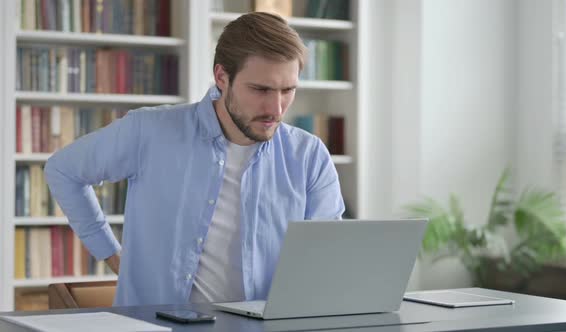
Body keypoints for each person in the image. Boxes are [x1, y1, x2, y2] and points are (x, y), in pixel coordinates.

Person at [44, 12, 345, 307]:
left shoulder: (309, 155)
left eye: (288, 90)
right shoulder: (149, 131)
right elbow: (63, 170)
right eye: (260, 89)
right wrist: (111, 253)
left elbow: (327, 258)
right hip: (157, 327)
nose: (276, 109)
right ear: (221, 77)